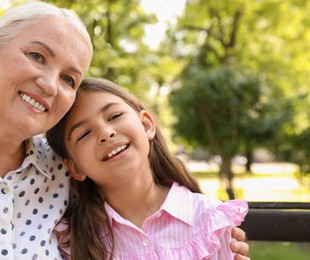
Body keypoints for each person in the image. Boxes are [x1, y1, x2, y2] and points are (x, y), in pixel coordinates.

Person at [0, 1, 249, 259]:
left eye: (68, 79)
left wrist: (205, 232)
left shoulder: (59, 168)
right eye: (37, 56)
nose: (49, 84)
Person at [46, 78, 249, 259]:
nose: (106, 133)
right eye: (84, 133)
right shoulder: (71, 240)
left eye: (114, 116)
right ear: (75, 167)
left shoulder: (210, 221)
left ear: (146, 125)